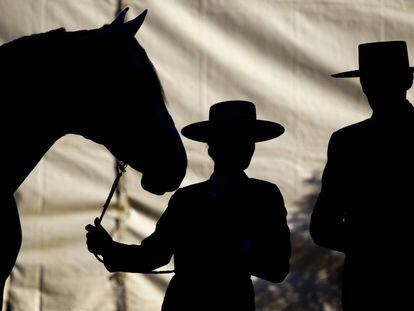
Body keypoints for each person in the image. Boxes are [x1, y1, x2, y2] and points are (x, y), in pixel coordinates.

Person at [86, 100, 291, 310]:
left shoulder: (190, 199)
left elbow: (278, 268)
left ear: (211, 149)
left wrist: (109, 250)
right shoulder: (263, 196)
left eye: (243, 142)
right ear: (213, 150)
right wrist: (109, 249)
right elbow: (277, 267)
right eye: (234, 142)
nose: (241, 149)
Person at [310, 41, 414, 310]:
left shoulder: (348, 142)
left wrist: (369, 245)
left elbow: (323, 227)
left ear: (364, 85)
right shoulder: (347, 142)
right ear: (408, 80)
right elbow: (322, 227)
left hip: (367, 284)